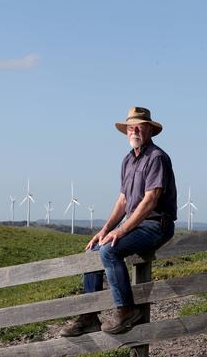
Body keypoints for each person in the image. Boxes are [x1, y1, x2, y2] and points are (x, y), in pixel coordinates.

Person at [61, 106, 177, 336]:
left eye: (140, 127)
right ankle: (89, 316)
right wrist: (105, 230)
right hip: (137, 224)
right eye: (130, 127)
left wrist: (121, 231)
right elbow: (123, 200)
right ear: (126, 132)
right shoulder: (127, 160)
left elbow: (150, 200)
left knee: (109, 251)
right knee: (95, 248)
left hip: (156, 225)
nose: (134, 131)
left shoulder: (157, 158)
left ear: (150, 131)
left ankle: (126, 311)